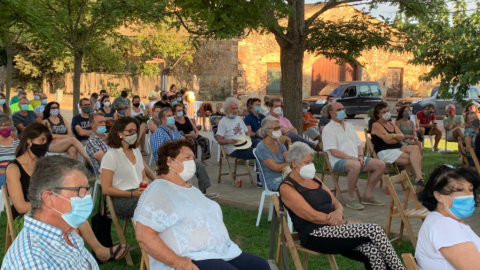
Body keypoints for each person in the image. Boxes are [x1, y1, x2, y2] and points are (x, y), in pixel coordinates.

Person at [134, 140, 270, 270]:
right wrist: (178, 262)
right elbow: (143, 235)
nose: (191, 162)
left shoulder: (192, 190)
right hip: (189, 257)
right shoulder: (160, 191)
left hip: (221, 252)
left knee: (260, 266)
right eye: (186, 157)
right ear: (169, 161)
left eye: (192, 158)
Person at [4, 124, 126, 264]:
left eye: (47, 141)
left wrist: (58, 203)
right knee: (69, 214)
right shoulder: (14, 168)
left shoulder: (43, 163)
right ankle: (88, 254)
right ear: (29, 141)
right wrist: (51, 203)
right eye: (42, 140)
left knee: (73, 210)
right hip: (26, 217)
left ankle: (95, 252)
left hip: (51, 206)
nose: (45, 145)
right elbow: (20, 206)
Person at [278, 142, 405, 269]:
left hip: (335, 230)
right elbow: (312, 216)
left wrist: (338, 213)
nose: (311, 165)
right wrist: (343, 223)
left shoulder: (313, 178)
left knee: (372, 251)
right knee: (374, 229)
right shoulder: (287, 187)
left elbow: (336, 203)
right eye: (307, 162)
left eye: (311, 161)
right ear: (294, 163)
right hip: (314, 235)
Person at [1, 156, 100, 270]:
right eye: (79, 190)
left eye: (87, 189)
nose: (87, 196)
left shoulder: (66, 231)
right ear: (49, 198)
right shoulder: (32, 260)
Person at [322, 102, 386, 210]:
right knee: (355, 165)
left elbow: (358, 144)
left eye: (343, 109)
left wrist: (360, 156)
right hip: (338, 160)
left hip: (356, 158)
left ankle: (367, 195)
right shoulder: (328, 129)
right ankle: (350, 198)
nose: (342, 111)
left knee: (380, 164)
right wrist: (353, 158)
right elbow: (334, 151)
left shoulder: (349, 125)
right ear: (331, 113)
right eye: (339, 110)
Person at [416, 165, 480, 270]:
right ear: (439, 196)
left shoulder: (442, 220)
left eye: (470, 189)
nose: (469, 195)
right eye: (459, 189)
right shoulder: (444, 226)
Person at [150, 107, 218, 198]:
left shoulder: (175, 132)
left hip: (181, 161)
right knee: (187, 167)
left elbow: (183, 146)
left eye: (172, 115)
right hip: (169, 163)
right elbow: (158, 154)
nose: (172, 118)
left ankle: (203, 193)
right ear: (162, 120)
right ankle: (185, 192)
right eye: (169, 116)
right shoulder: (159, 133)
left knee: (199, 165)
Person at [100, 117, 156, 220]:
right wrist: (131, 194)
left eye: (135, 131)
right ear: (119, 133)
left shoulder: (136, 151)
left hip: (140, 194)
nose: (134, 134)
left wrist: (143, 185)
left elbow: (143, 175)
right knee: (155, 208)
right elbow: (106, 189)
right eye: (130, 131)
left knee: (166, 202)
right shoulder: (111, 156)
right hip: (123, 199)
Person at [371, 102, 424, 190]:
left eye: (387, 110)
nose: (387, 113)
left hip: (397, 148)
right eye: (384, 112)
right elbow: (387, 141)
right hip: (385, 151)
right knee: (417, 159)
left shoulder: (391, 123)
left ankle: (419, 179)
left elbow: (402, 136)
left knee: (415, 148)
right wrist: (396, 137)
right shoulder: (376, 125)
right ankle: (419, 183)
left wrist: (393, 136)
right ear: (378, 114)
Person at [255, 117, 290, 191]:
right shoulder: (261, 147)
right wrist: (288, 163)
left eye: (279, 127)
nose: (279, 130)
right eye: (275, 128)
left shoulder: (279, 143)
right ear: (267, 131)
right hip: (273, 182)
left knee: (309, 181)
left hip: (285, 177)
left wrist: (289, 142)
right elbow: (276, 168)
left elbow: (290, 158)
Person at [0, 115, 19, 186]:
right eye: (4, 125)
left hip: (16, 170)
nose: (7, 128)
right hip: (2, 173)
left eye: (8, 125)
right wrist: (7, 171)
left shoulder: (17, 142)